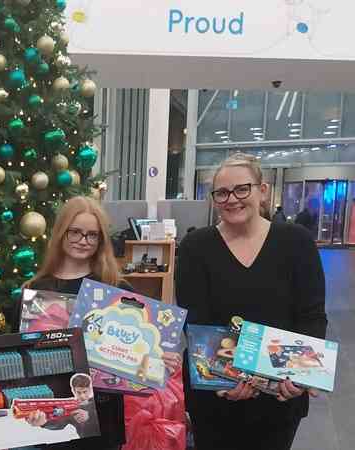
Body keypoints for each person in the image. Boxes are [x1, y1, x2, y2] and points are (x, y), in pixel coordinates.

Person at [176, 153, 327, 450]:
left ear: (263, 190)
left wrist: (300, 376)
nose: (231, 199)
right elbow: (196, 322)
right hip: (215, 394)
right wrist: (223, 383)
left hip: (279, 395)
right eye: (221, 192)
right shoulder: (196, 247)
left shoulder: (297, 242)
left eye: (242, 189)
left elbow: (311, 316)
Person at [20, 196, 182, 450]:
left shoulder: (116, 289)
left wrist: (161, 360)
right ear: (61, 233)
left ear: (100, 241)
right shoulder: (36, 291)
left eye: (92, 235)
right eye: (75, 232)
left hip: (104, 416)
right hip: (52, 413)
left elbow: (142, 350)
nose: (83, 241)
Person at [24, 373, 100, 438]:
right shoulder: (69, 407)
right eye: (79, 392)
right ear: (73, 390)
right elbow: (58, 421)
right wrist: (44, 422)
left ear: (90, 389)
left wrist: (90, 415)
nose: (82, 396)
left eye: (85, 392)